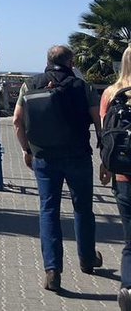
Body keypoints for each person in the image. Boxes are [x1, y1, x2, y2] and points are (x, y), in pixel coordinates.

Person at [13, 45, 103, 293]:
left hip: (44, 157)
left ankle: (52, 270)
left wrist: (26, 150)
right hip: (78, 155)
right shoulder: (82, 87)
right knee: (83, 207)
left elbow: (17, 121)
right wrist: (104, 153)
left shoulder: (31, 85)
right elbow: (98, 121)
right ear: (71, 62)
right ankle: (87, 259)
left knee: (49, 210)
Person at [100, 44, 131, 309]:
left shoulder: (111, 93)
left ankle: (128, 287)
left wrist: (106, 166)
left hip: (123, 176)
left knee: (130, 240)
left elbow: (105, 135)